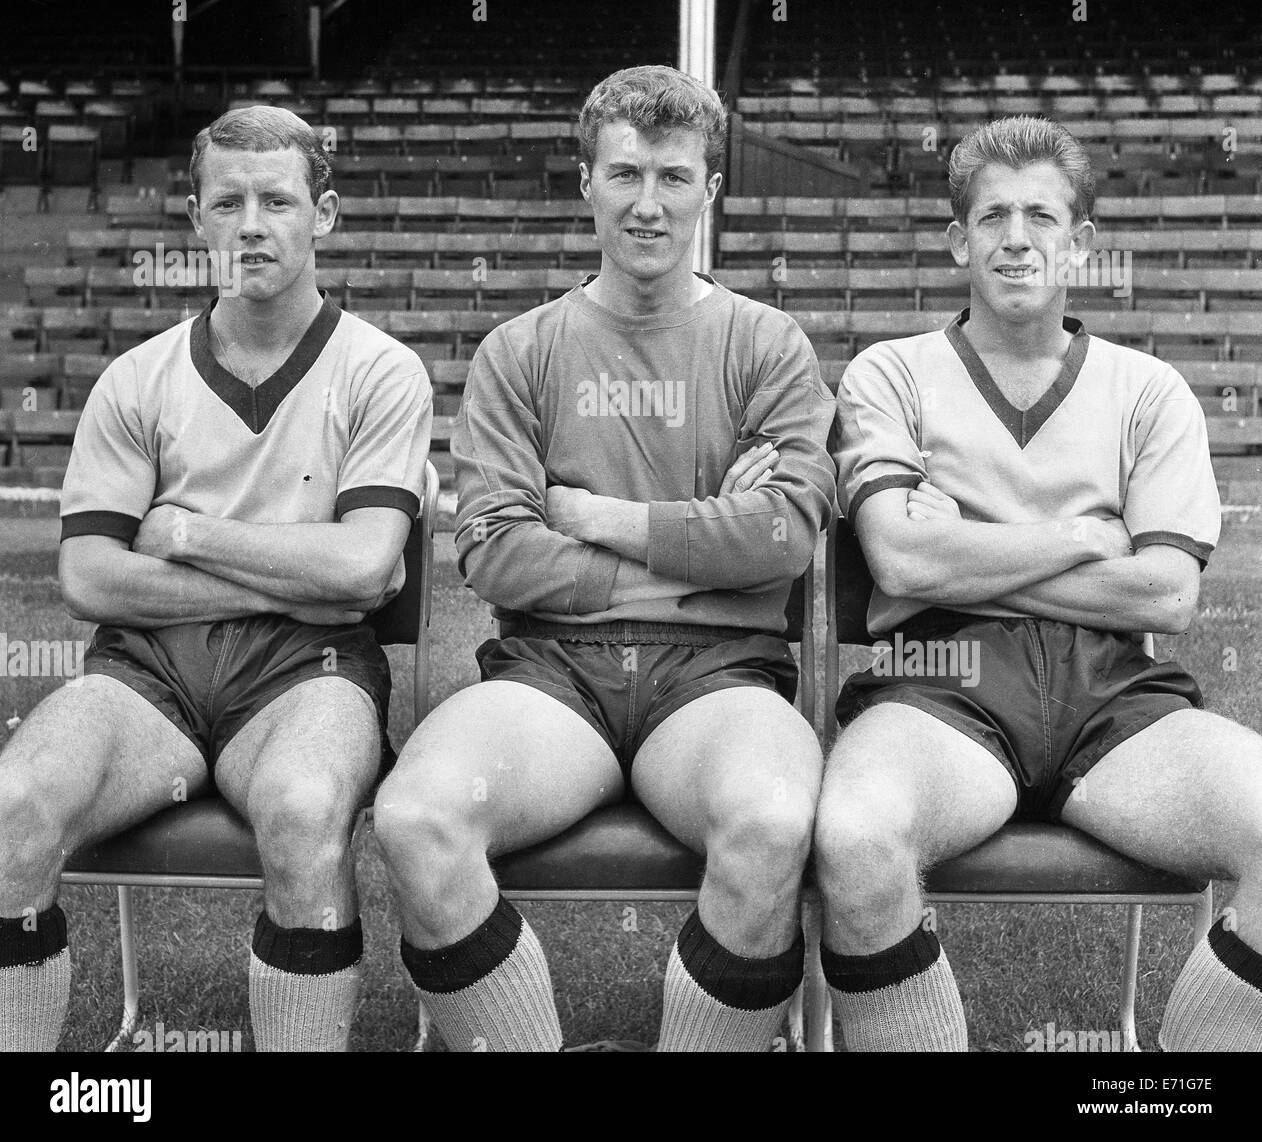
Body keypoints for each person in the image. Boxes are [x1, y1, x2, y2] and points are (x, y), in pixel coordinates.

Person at [374, 65, 836, 1052]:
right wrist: (699, 549)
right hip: (550, 676)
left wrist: (590, 516)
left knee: (770, 817)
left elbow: (782, 538)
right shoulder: (519, 350)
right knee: (415, 816)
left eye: (674, 176)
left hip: (720, 678)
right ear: (584, 181)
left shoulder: (767, 345)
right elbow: (494, 552)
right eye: (624, 173)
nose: (647, 203)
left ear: (711, 187)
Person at [815, 114, 1262, 1051]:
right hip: (941, 680)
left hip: (1115, 696)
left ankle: (1171, 1090)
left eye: (1042, 217)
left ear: (1081, 242)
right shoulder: (890, 374)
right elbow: (897, 562)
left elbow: (1166, 599)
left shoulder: (1150, 390)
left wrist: (965, 553)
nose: (1017, 239)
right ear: (958, 238)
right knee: (855, 835)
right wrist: (1080, 536)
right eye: (992, 217)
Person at [0, 106, 432, 1052]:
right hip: (146, 676)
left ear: (324, 214)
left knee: (306, 809)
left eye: (277, 200)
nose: (251, 225)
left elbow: (363, 569)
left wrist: (189, 532)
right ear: (196, 218)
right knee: (11, 810)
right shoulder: (137, 378)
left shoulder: (381, 372)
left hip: (308, 669)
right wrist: (294, 573)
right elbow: (90, 579)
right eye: (226, 202)